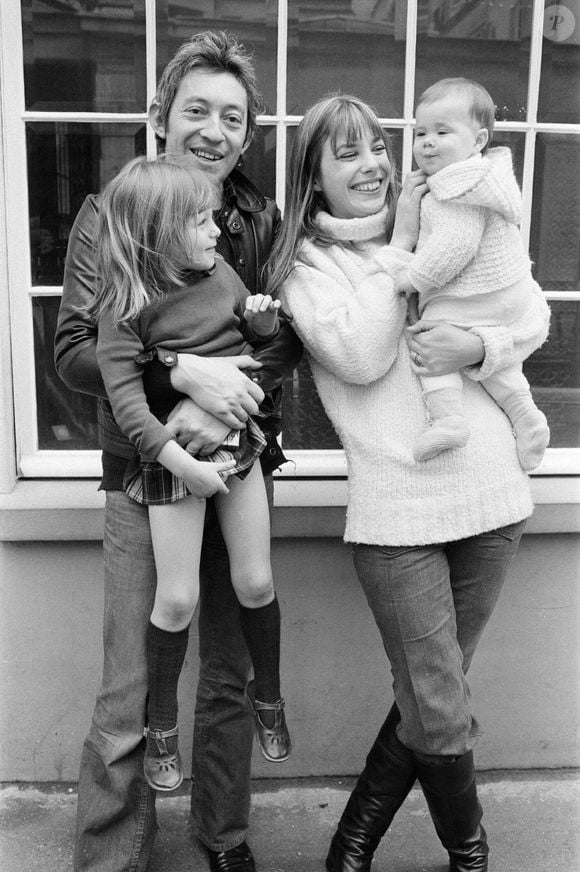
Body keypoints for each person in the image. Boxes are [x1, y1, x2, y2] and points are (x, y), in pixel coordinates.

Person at [267, 94, 550, 872]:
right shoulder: (303, 267)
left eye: (378, 148)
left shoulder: (447, 212)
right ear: (313, 177)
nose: (374, 164)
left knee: (435, 696)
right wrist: (399, 248)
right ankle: (470, 853)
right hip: (397, 512)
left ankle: (355, 840)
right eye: (348, 153)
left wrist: (479, 346)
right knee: (438, 700)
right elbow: (358, 354)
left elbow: (525, 309)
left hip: (492, 492)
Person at [54, 31, 301, 872]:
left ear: (247, 133)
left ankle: (223, 840)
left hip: (236, 466)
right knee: (131, 687)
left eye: (233, 117)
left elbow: (279, 338)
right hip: (143, 473)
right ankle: (113, 855)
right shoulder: (110, 211)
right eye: (196, 109)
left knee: (230, 676)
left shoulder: (259, 219)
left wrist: (226, 395)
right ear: (160, 115)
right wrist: (177, 375)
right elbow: (79, 351)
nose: (214, 130)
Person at [90, 156, 292, 794]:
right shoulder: (126, 309)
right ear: (157, 233)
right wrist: (183, 468)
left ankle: (271, 696)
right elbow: (129, 412)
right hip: (171, 459)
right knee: (177, 599)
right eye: (201, 221)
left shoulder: (222, 272)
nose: (215, 231)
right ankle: (160, 726)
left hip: (239, 444)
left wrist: (261, 320)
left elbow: (257, 341)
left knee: (255, 581)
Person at [394, 77, 549, 468]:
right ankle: (527, 417)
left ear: (478, 141)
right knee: (500, 366)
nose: (428, 141)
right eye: (421, 132)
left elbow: (454, 248)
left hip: (479, 290)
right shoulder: (481, 178)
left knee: (428, 337)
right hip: (508, 294)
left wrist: (411, 278)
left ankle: (448, 419)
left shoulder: (456, 186)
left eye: (443, 132)